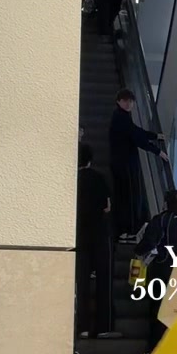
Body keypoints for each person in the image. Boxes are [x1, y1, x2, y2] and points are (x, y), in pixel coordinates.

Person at [135, 189, 177, 354]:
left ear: (165, 203)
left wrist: (137, 250)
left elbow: (149, 242)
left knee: (157, 309)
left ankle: (154, 348)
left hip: (161, 269)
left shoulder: (160, 220)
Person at [75, 144, 116, 338]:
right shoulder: (99, 178)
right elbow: (107, 207)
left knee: (81, 281)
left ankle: (81, 326)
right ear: (90, 160)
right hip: (99, 233)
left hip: (78, 235)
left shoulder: (72, 180)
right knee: (103, 279)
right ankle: (103, 326)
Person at [109, 89, 161, 239]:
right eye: (125, 101)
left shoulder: (121, 116)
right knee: (128, 196)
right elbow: (136, 137)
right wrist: (157, 151)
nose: (129, 104)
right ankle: (126, 230)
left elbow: (136, 132)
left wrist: (154, 136)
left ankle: (126, 230)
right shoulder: (121, 118)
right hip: (124, 164)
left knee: (125, 195)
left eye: (131, 101)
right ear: (118, 101)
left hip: (121, 162)